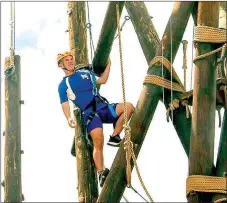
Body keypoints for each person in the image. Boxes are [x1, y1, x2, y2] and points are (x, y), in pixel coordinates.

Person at [57, 51, 134, 187]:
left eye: (71, 59)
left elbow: (102, 80)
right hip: (90, 113)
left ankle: (115, 135)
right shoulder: (64, 84)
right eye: (66, 60)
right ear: (61, 65)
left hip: (103, 107)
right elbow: (64, 103)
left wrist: (109, 63)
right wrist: (68, 118)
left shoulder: (85, 73)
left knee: (128, 107)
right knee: (98, 142)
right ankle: (101, 173)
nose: (70, 61)